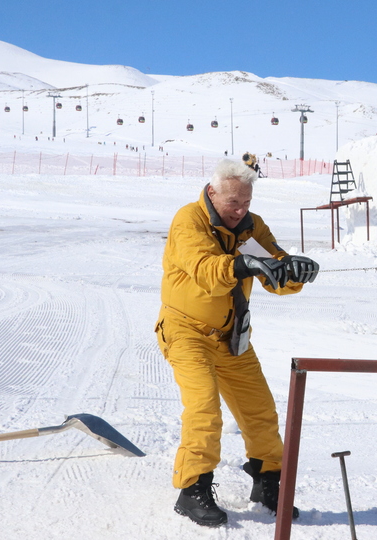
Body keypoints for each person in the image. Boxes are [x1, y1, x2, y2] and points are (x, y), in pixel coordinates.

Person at [155, 158, 319, 527]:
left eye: (246, 202)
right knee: (204, 408)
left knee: (260, 411)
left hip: (232, 336)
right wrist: (244, 265)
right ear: (212, 193)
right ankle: (192, 489)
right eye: (233, 202)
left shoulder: (250, 227)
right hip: (186, 332)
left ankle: (269, 483)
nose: (240, 210)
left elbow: (274, 270)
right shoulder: (189, 220)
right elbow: (206, 270)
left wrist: (295, 271)